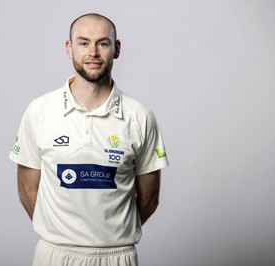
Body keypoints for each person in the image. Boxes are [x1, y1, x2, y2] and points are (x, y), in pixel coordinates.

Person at [9, 13, 169, 266]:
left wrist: (113, 234)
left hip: (117, 256)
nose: (92, 52)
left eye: (102, 43)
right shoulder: (40, 111)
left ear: (116, 49)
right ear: (69, 48)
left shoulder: (140, 116)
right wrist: (59, 232)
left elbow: (149, 198)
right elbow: (27, 189)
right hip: (54, 254)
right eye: (83, 43)